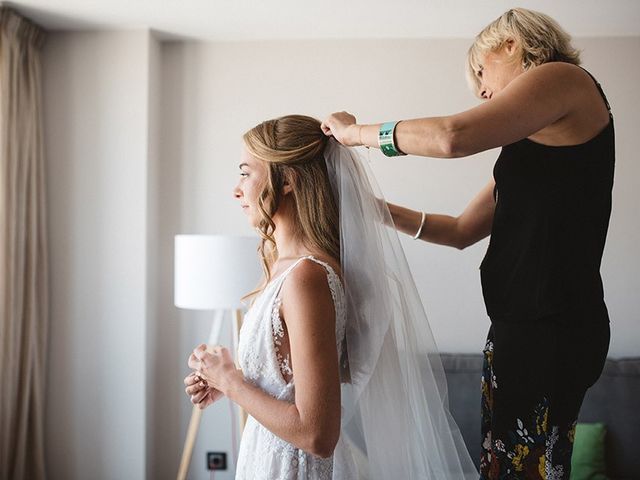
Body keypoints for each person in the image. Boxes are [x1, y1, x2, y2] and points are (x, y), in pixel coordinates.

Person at [321, 7, 614, 480]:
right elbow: (459, 231)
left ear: (511, 45)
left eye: (481, 70)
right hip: (521, 325)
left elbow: (453, 136)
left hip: (551, 324)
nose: (480, 89)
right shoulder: (529, 152)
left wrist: (356, 135)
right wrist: (371, 208)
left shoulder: (565, 79)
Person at [183, 114, 478, 479]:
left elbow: (317, 434)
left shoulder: (307, 277)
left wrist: (231, 381)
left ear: (287, 180)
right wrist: (228, 382)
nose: (236, 189)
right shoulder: (283, 267)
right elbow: (289, 385)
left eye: (246, 172)